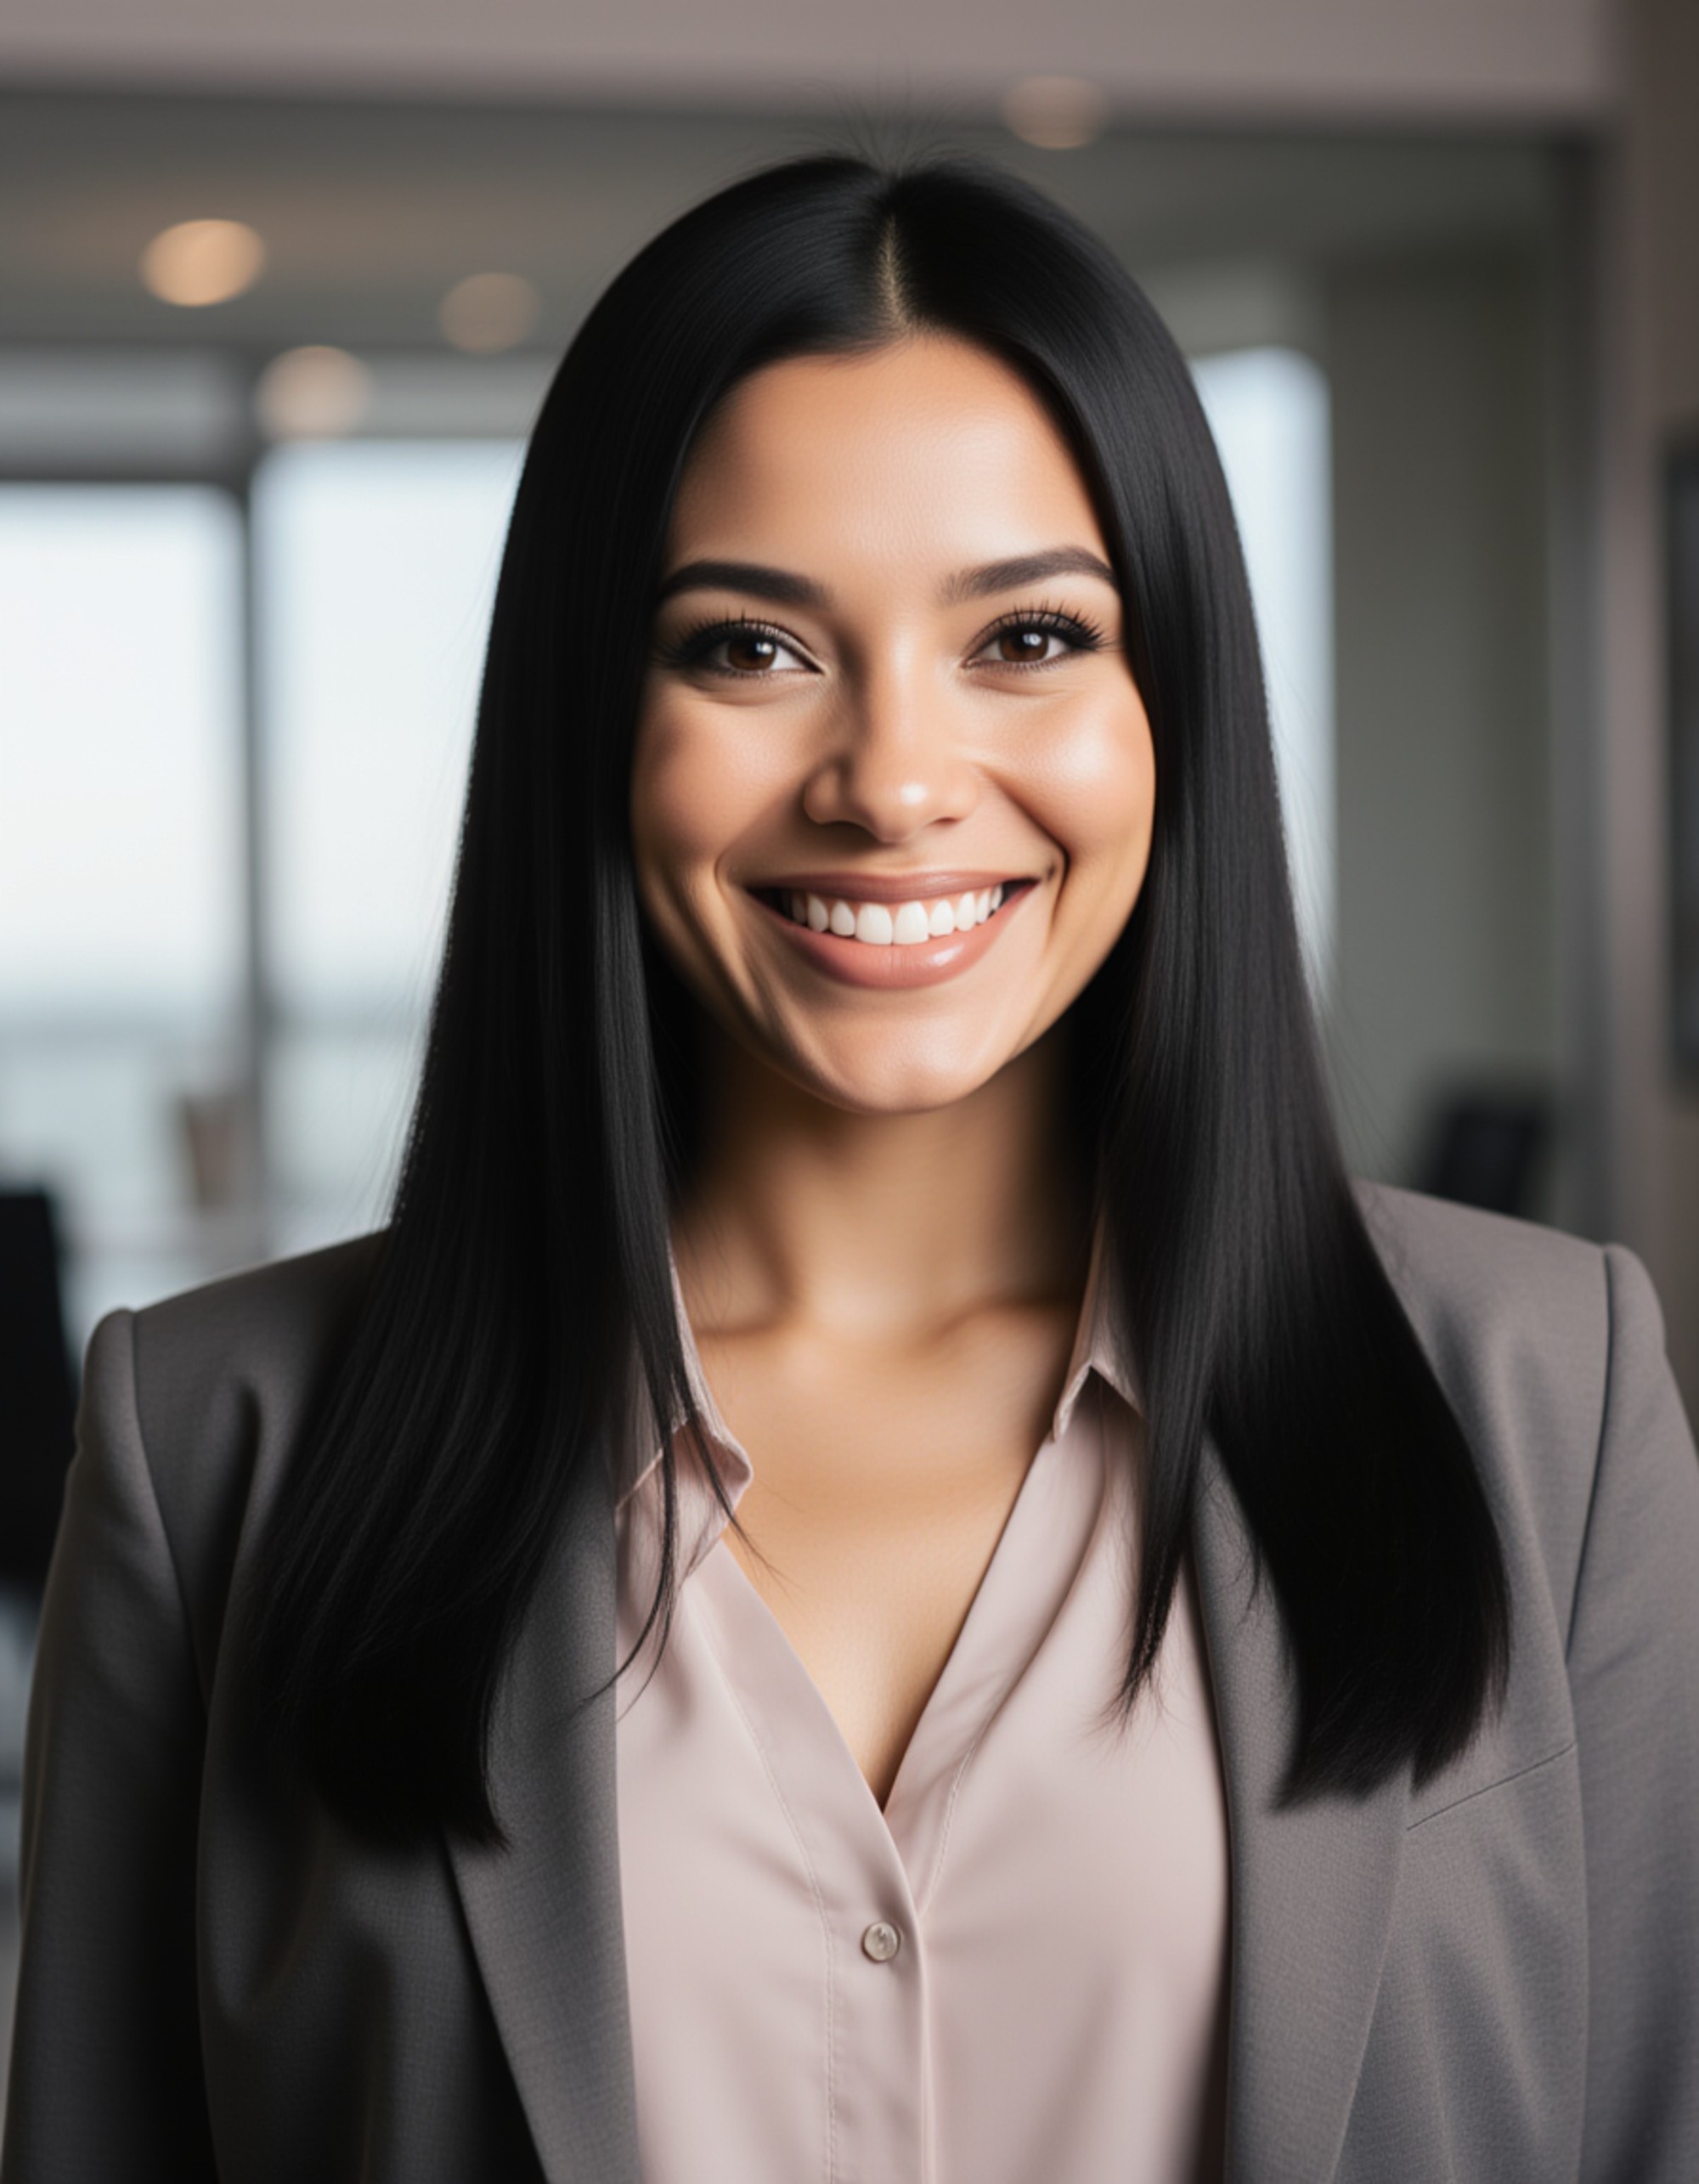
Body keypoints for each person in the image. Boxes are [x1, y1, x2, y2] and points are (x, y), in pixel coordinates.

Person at [5, 154, 1697, 2184]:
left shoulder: (1548, 1398)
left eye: (1031, 636)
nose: (893, 779)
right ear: (589, 717)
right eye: (749, 648)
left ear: (1176, 709)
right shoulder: (216, 1452)